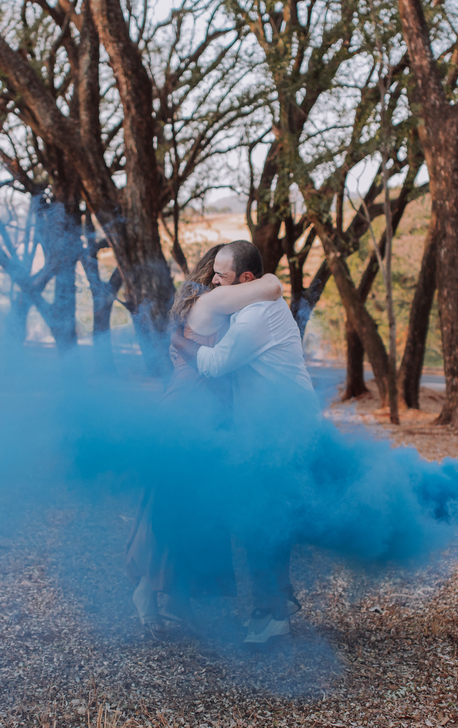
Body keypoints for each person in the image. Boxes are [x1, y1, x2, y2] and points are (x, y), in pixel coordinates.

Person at [125, 244, 285, 635]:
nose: (216, 279)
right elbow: (273, 287)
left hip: (209, 416)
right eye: (216, 272)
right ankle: (146, 593)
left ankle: (177, 599)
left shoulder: (216, 303)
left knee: (195, 506)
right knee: (172, 504)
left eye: (222, 273)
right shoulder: (215, 301)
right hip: (188, 412)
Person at [170, 240, 313, 645]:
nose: (214, 281)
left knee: (261, 518)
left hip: (283, 427)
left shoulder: (256, 316)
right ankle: (275, 604)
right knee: (263, 516)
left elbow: (214, 365)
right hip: (270, 425)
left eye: (222, 276)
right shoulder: (252, 303)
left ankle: (273, 615)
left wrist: (177, 340)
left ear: (245, 278)